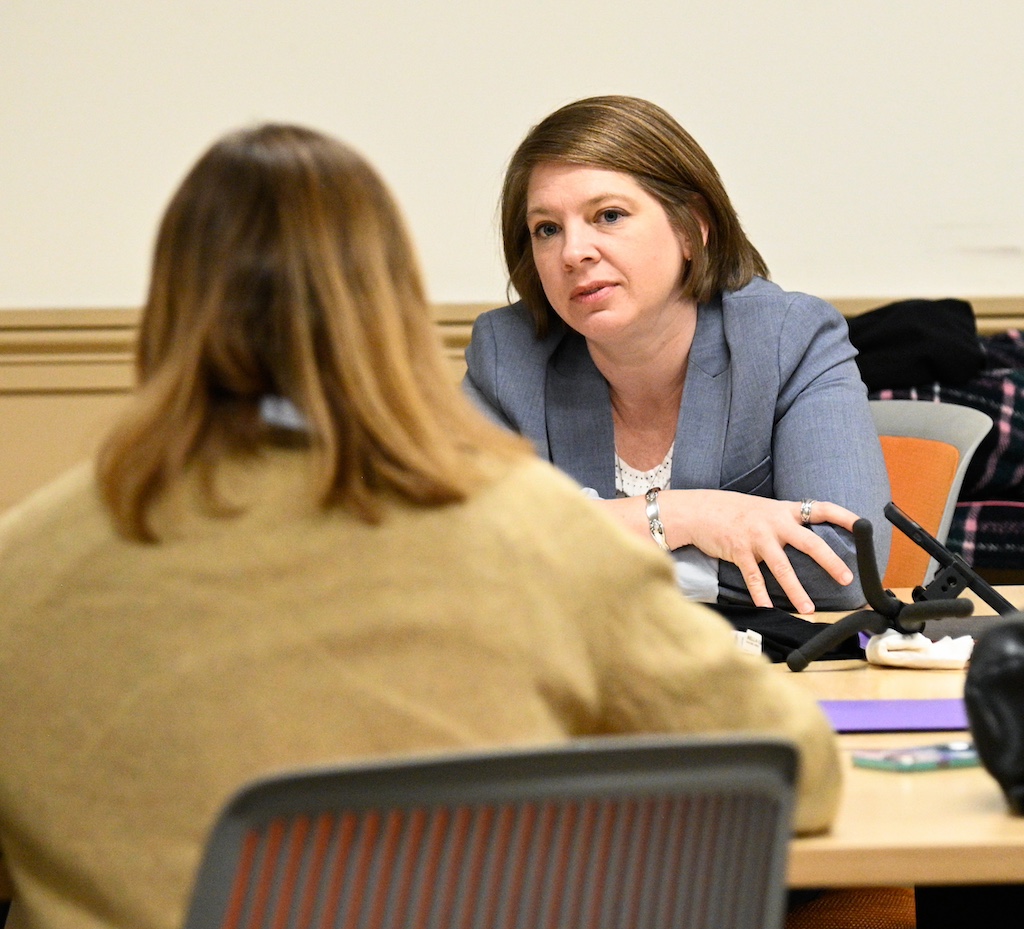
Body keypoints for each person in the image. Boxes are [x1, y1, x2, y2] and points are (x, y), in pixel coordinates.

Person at [0, 123, 842, 929]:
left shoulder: (23, 558)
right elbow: (797, 766)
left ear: (167, 309)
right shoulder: (530, 532)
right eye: (547, 228)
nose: (574, 248)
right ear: (389, 306)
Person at [464, 95, 891, 614]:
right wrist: (680, 515)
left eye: (609, 215)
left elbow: (842, 569)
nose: (573, 252)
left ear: (691, 228)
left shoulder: (789, 341)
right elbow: (453, 553)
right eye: (547, 229)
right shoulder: (506, 356)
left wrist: (574, 554)